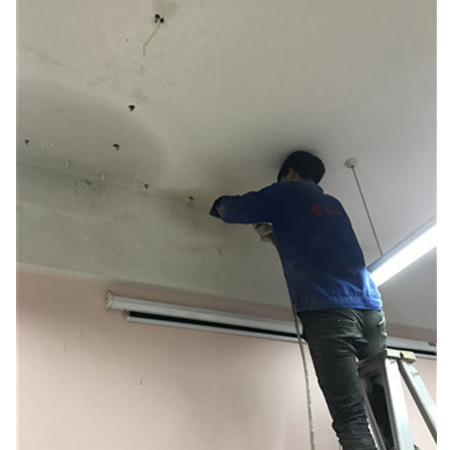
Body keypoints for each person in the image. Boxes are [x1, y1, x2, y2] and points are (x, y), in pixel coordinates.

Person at [209, 150, 390, 450]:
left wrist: (216, 204)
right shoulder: (334, 205)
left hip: (328, 311)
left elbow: (234, 209)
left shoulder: (287, 191)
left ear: (290, 173)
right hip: (371, 308)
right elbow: (317, 244)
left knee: (351, 419)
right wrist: (279, 236)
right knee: (386, 404)